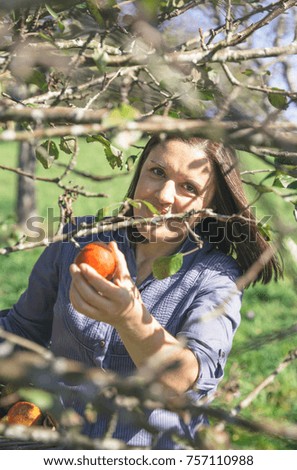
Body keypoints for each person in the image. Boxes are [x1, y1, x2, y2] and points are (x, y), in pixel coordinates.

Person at [0, 135, 282, 449]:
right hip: (52, 440)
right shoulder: (78, 239)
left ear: (208, 207)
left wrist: (130, 319)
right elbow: (22, 330)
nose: (164, 196)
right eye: (157, 172)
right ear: (139, 174)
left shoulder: (215, 276)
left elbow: (185, 380)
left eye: (188, 187)